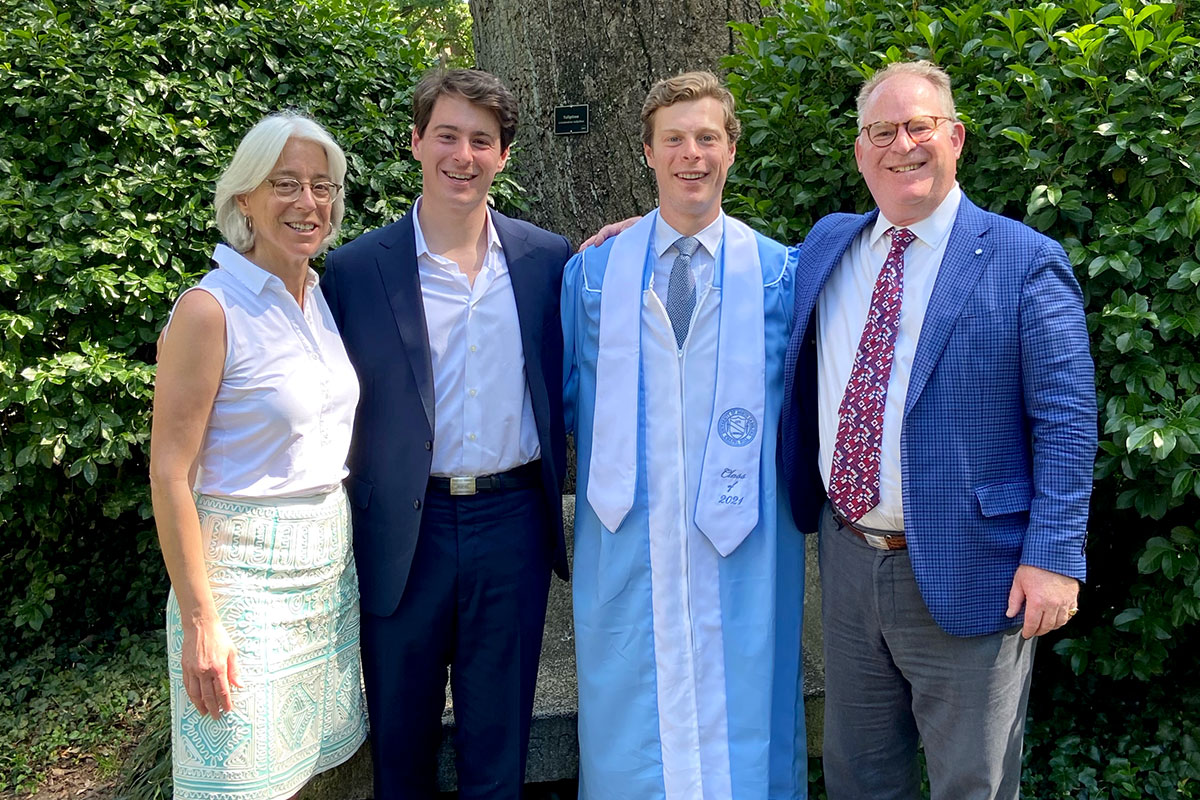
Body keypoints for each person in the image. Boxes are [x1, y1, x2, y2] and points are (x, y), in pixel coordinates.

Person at [781, 60, 1096, 799]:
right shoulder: (828, 247)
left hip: (975, 568)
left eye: (919, 125)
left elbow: (1068, 419)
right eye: (881, 131)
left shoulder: (1024, 261)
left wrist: (1053, 555)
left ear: (955, 137)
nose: (902, 145)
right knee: (860, 778)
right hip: (849, 561)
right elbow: (740, 271)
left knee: (972, 784)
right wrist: (657, 226)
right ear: (861, 152)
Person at [320, 68, 571, 799]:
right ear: (416, 141)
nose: (464, 155)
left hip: (512, 522)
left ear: (504, 156)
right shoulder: (357, 269)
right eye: (448, 136)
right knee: (400, 751)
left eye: (482, 141)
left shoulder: (546, 259)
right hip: (404, 530)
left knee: (500, 752)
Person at [562, 71, 807, 800]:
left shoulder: (779, 275)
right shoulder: (595, 274)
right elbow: (568, 398)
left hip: (745, 547)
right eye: (674, 139)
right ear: (647, 153)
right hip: (628, 539)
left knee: (748, 716)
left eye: (707, 138)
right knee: (629, 723)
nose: (690, 154)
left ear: (732, 151)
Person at [150, 113, 366, 800]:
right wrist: (200, 622)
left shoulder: (319, 299)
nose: (309, 203)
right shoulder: (210, 310)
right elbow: (169, 473)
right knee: (238, 782)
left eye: (322, 187)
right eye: (286, 185)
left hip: (327, 576)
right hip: (241, 584)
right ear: (244, 198)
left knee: (314, 775)